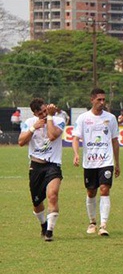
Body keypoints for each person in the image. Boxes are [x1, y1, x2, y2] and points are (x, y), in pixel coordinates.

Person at [71, 88, 121, 236]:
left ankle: (103, 225)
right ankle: (92, 222)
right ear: (92, 99)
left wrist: (117, 163)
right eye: (99, 99)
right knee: (91, 191)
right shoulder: (83, 118)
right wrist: (76, 154)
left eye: (103, 100)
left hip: (106, 161)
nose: (102, 102)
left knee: (105, 189)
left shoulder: (111, 118)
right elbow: (75, 138)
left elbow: (115, 141)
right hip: (89, 162)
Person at [18, 98, 66, 242]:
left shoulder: (58, 120)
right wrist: (34, 128)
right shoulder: (29, 123)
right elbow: (21, 142)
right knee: (36, 203)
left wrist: (50, 117)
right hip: (36, 165)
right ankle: (44, 225)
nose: (44, 114)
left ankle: (50, 231)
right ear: (35, 114)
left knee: (52, 194)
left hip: (53, 164)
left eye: (45, 110)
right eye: (41, 113)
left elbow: (52, 136)